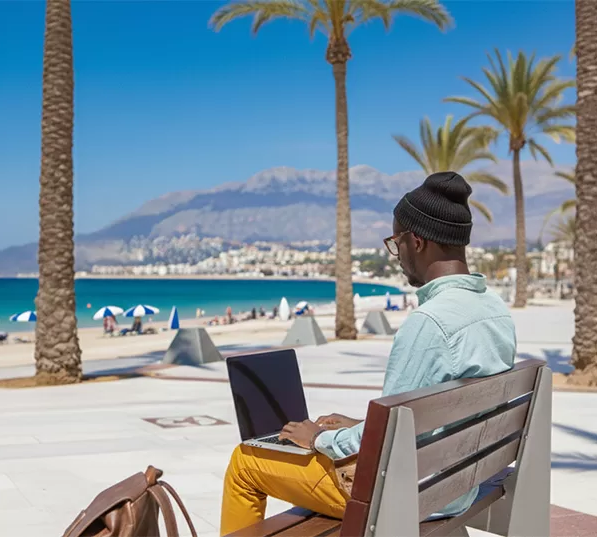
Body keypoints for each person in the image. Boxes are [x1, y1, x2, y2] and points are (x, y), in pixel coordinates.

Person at [220, 172, 517, 535]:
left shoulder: (428, 323)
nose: (396, 256)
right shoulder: (495, 310)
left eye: (396, 242)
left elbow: (385, 449)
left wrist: (317, 438)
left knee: (245, 463)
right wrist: (362, 426)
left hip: (407, 493)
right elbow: (416, 420)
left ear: (418, 241)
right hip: (459, 483)